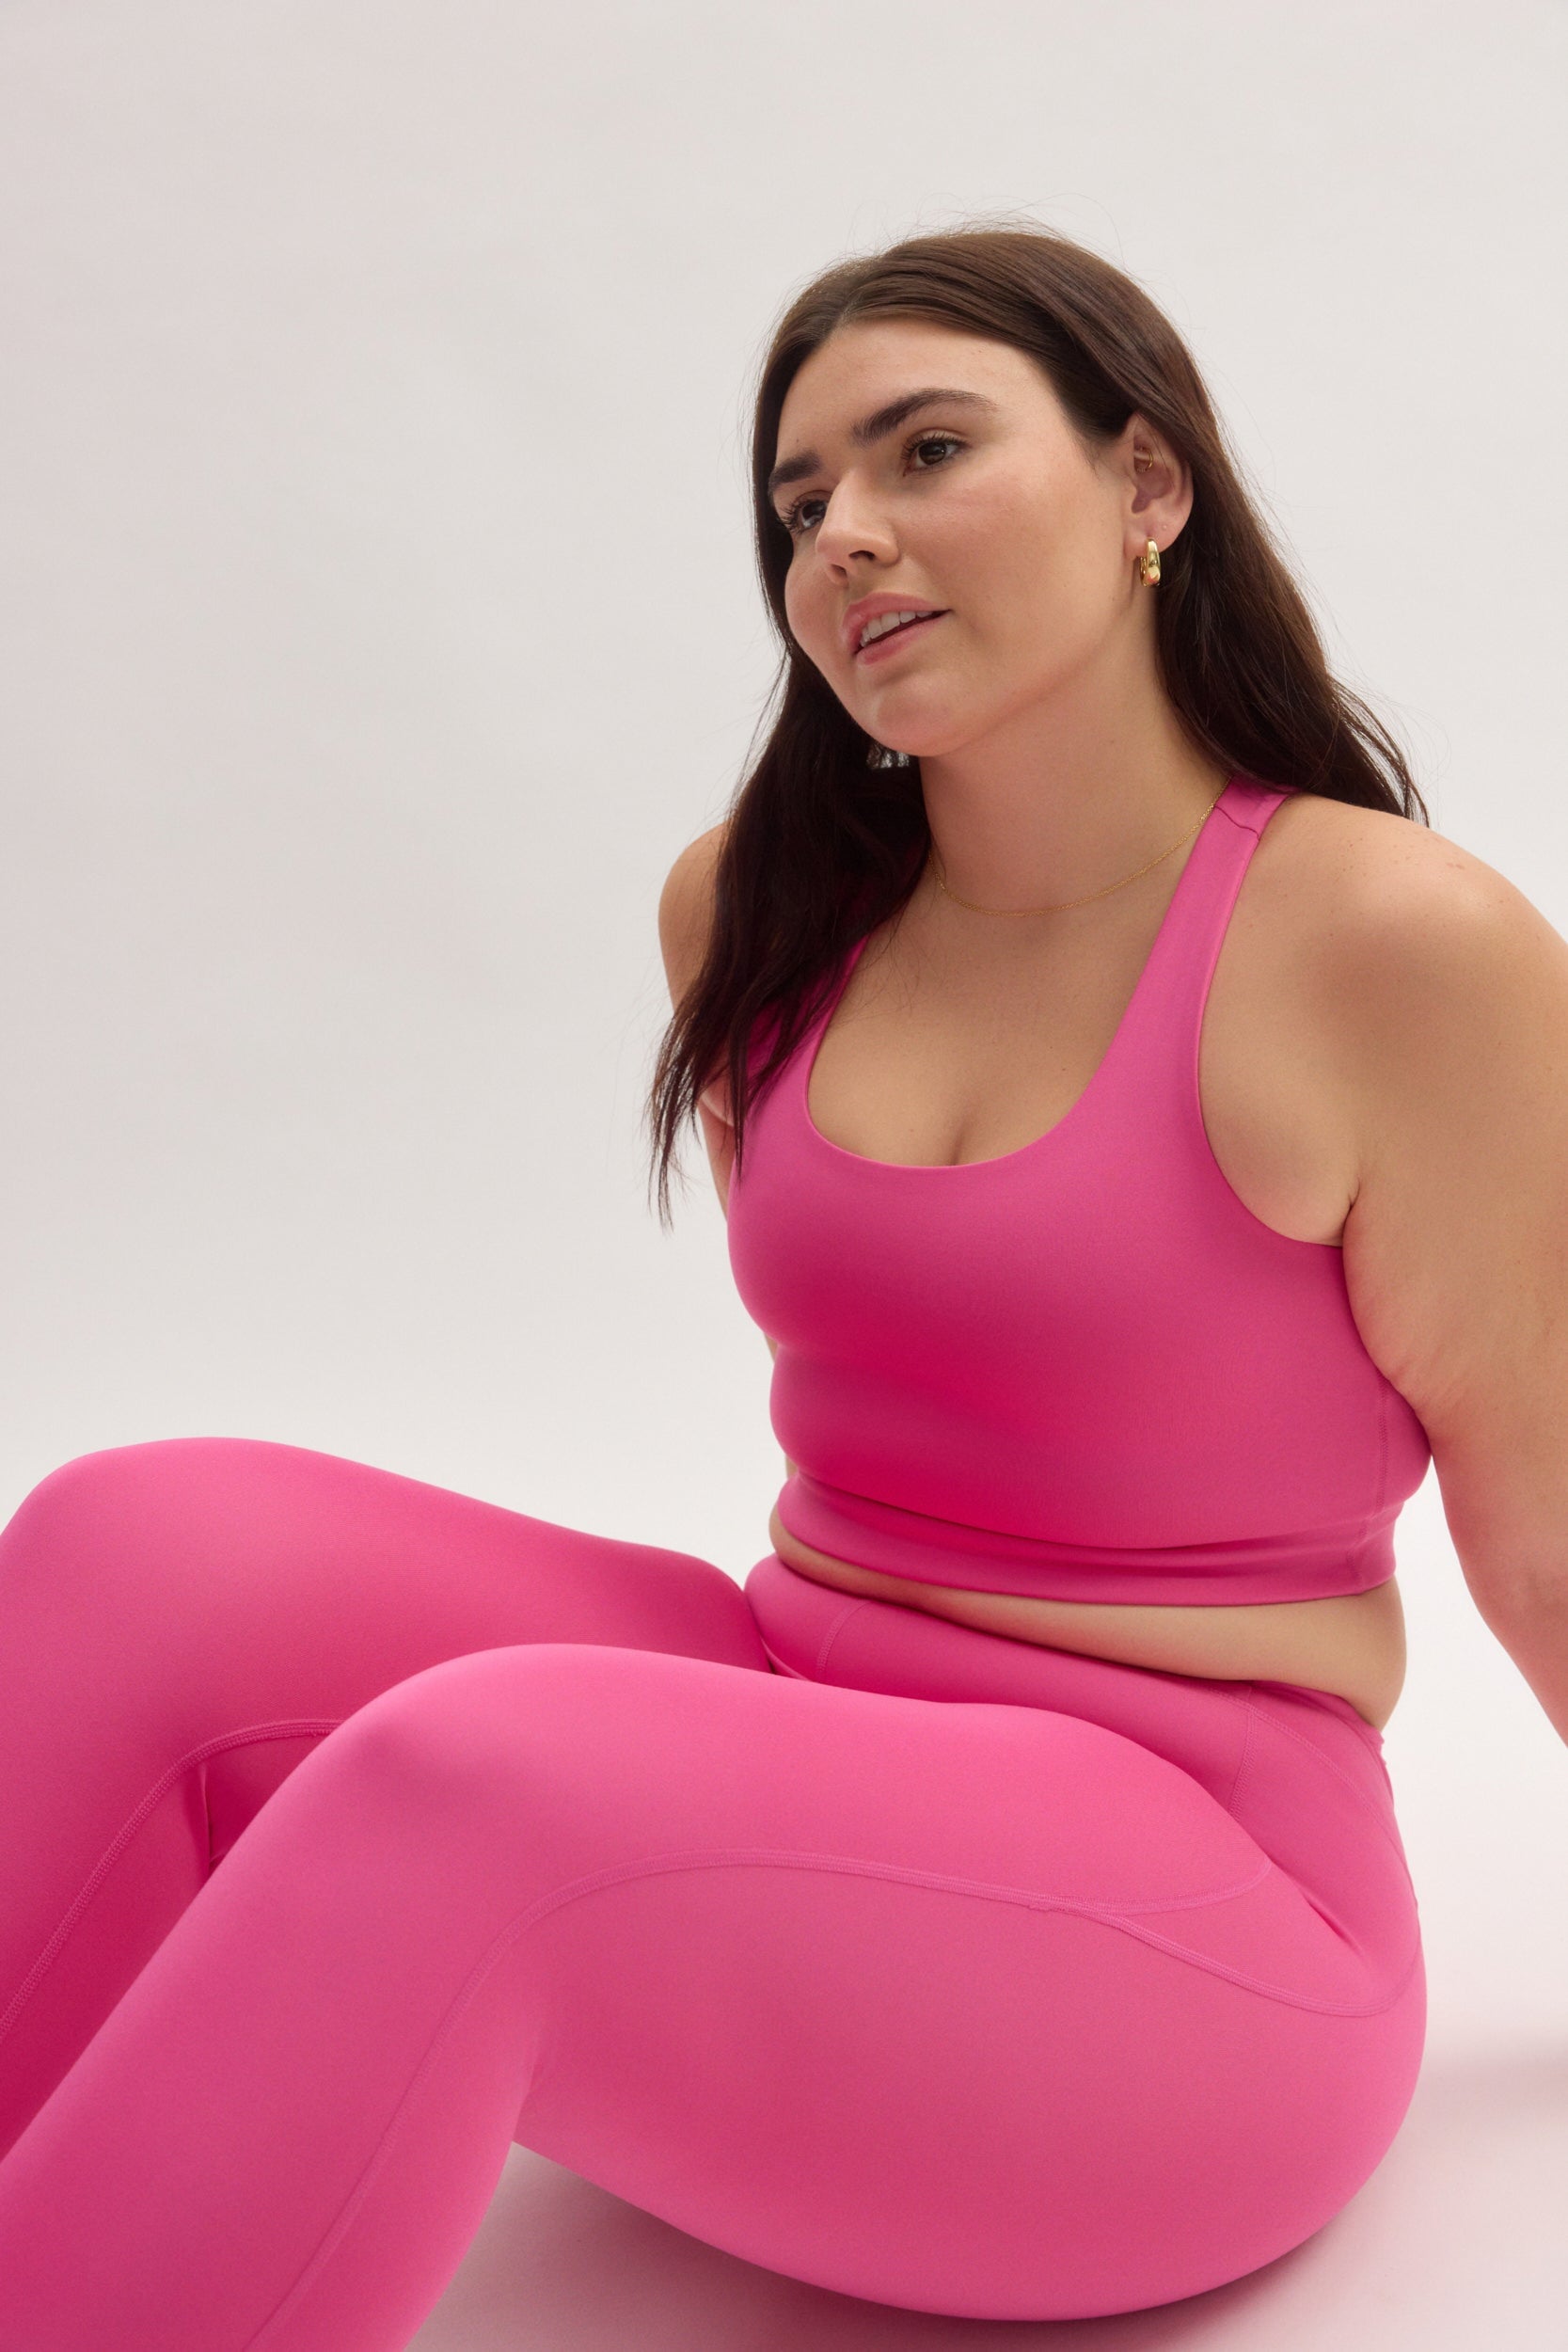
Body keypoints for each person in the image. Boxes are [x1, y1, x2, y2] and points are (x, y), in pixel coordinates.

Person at [2, 223, 1565, 2351]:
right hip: (807, 1707)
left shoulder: (1393, 944)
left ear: (1147, 483)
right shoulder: (756, 913)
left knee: (480, 1784)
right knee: (139, 1542)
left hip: (1206, 1917)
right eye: (801, 499)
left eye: (928, 449)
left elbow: (1550, 1535)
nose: (845, 537)